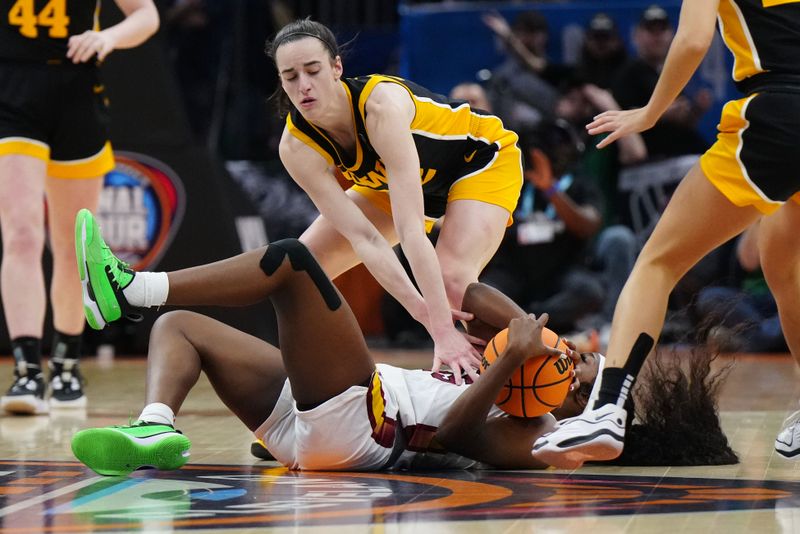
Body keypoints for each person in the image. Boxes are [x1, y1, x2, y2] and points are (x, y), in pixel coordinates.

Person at [70, 211, 737, 474]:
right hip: (315, 430)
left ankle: (132, 287)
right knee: (181, 329)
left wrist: (510, 356)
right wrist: (515, 334)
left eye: (578, 363)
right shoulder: (516, 372)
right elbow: (461, 291)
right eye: (574, 348)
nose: (569, 352)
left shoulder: (539, 441)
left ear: (578, 398)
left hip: (361, 422)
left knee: (291, 263)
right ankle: (156, 425)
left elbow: (455, 439)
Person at [531, 0, 800, 468]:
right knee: (785, 269)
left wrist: (649, 112)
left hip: (776, 114)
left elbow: (694, 39)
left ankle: (606, 409)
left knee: (658, 263)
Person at [0, 0, 160, 414]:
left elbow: (146, 13)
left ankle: (67, 362)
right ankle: (26, 371)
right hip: (11, 85)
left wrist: (108, 37)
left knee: (73, 242)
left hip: (75, 88)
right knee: (21, 232)